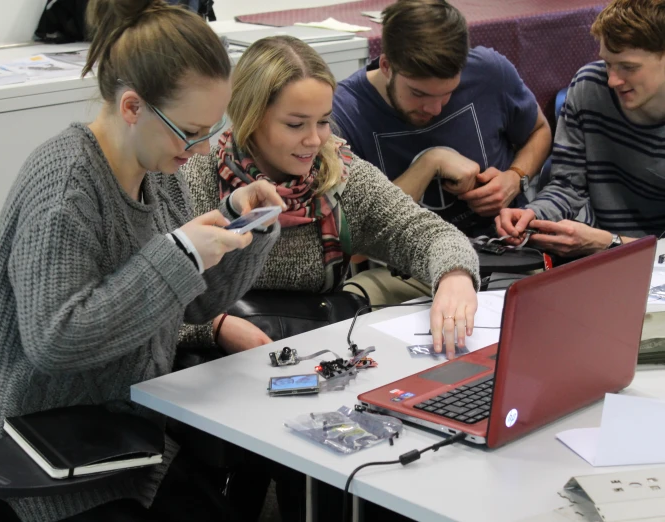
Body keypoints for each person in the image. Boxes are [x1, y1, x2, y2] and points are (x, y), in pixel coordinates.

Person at [0, 0, 284, 520]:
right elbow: (55, 341)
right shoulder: (64, 187)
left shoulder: (159, 172)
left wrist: (243, 228)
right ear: (133, 107)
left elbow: (195, 305)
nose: (199, 150)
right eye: (190, 131)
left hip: (119, 440)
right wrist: (178, 255)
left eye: (210, 131)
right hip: (30, 457)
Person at [179, 34, 480, 522]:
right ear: (251, 117)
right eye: (296, 124)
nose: (315, 140)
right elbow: (143, 309)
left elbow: (426, 233)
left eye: (323, 121)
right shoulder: (193, 181)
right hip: (215, 374)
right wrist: (212, 327)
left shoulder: (339, 177)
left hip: (308, 362)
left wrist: (455, 277)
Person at [332, 0, 551, 238]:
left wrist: (515, 177)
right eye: (419, 93)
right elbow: (352, 238)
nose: (435, 108)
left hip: (506, 246)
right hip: (409, 268)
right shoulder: (343, 113)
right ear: (386, 66)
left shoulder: (488, 72)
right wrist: (430, 163)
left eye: (449, 92)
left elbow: (539, 130)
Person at [496, 0, 665, 256]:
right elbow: (569, 186)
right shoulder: (589, 87)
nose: (612, 80)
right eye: (608, 63)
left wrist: (610, 243)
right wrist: (535, 214)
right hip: (596, 257)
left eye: (628, 67)